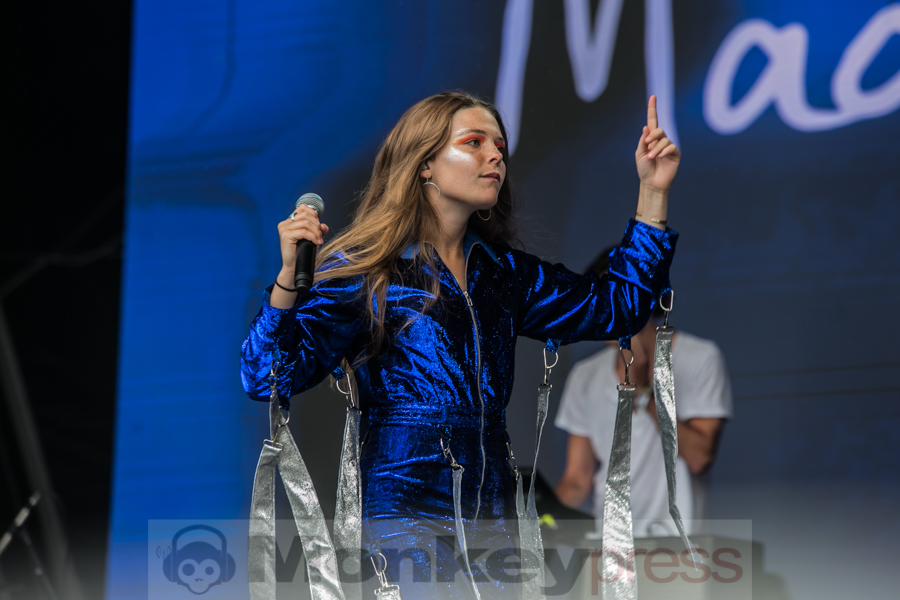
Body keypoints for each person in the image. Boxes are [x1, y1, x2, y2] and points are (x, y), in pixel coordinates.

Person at [241, 91, 680, 599]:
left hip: (493, 506)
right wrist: (288, 283)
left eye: (499, 145)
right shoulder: (367, 274)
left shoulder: (505, 273)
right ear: (424, 164)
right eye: (474, 143)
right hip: (403, 507)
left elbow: (616, 308)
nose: (495, 155)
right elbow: (266, 376)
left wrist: (652, 193)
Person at [554, 250, 732, 537]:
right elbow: (577, 479)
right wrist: (532, 521)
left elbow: (699, 456)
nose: (600, 313)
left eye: (612, 299)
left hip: (678, 549)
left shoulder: (700, 358)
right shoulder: (584, 375)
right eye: (596, 301)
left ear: (643, 300)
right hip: (611, 545)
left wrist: (646, 391)